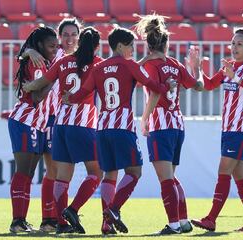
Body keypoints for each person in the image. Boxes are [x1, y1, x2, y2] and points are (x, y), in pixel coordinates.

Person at [63, 26, 176, 235]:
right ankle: (112, 211)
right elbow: (152, 84)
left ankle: (102, 223)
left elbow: (81, 94)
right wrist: (167, 86)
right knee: (134, 171)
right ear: (120, 46)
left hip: (102, 127)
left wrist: (68, 97)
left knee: (109, 174)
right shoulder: (129, 65)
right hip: (122, 127)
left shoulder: (99, 68)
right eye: (131, 45)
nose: (133, 49)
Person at [23, 27, 103, 234]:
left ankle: (61, 223)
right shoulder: (98, 64)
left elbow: (42, 82)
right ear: (96, 46)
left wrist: (29, 87)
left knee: (62, 177)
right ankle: (73, 210)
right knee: (96, 172)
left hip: (60, 125)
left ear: (78, 40)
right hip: (83, 124)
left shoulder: (63, 62)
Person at [135, 14, 204, 235]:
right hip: (177, 126)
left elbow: (154, 91)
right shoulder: (175, 65)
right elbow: (200, 86)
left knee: (165, 179)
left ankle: (173, 225)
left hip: (160, 126)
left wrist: (144, 118)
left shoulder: (150, 66)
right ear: (166, 44)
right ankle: (182, 221)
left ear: (148, 44)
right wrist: (196, 67)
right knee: (171, 177)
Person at [191, 27, 243, 232]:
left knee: (223, 172)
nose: (234, 47)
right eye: (232, 43)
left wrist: (237, 78)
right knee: (239, 177)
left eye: (239, 44)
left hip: (240, 128)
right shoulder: (228, 66)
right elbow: (209, 85)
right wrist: (198, 69)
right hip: (228, 129)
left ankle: (211, 218)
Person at [22, 18, 82, 232]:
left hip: (73, 120)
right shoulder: (54, 55)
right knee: (54, 170)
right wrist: (29, 51)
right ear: (59, 36)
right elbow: (27, 49)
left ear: (79, 35)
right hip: (50, 118)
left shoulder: (82, 58)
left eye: (73, 34)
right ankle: (51, 220)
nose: (69, 38)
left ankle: (55, 219)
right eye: (65, 34)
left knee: (61, 171)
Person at [8, 26, 58, 233]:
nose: (54, 50)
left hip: (35, 122)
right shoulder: (38, 63)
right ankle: (17, 222)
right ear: (39, 45)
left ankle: (21, 221)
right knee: (23, 171)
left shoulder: (41, 60)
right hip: (26, 120)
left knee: (28, 173)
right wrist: (55, 78)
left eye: (56, 46)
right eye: (50, 46)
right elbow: (37, 97)